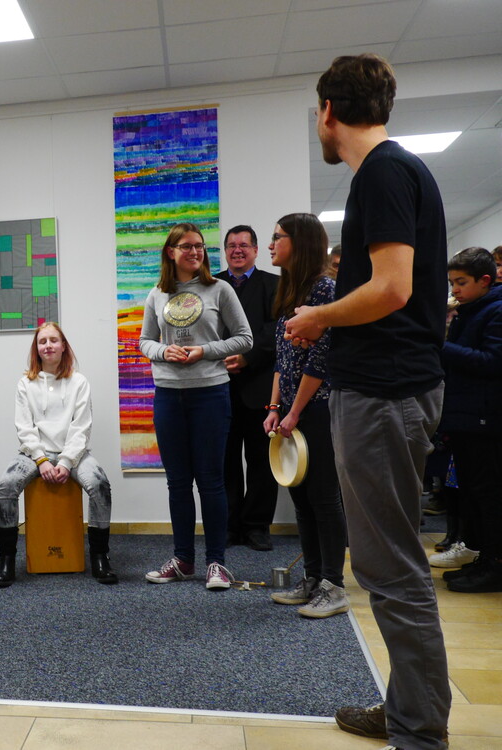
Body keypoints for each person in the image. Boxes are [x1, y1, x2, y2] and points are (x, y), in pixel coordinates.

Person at [286, 54, 450, 748]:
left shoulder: (382, 172)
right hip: (392, 390)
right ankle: (411, 708)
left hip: (384, 394)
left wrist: (317, 318)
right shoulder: (396, 171)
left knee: (391, 568)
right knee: (390, 563)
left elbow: (392, 288)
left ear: (329, 111)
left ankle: (419, 731)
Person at [139, 222, 252, 591]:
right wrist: (163, 351)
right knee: (177, 483)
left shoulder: (219, 289)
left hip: (210, 393)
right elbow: (145, 341)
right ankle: (183, 560)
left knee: (211, 481)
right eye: (186, 246)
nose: (195, 252)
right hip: (168, 395)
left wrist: (205, 350)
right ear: (170, 252)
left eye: (199, 246)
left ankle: (216, 563)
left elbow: (245, 338)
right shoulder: (157, 293)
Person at [263, 214, 348, 618]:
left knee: (324, 497)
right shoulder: (291, 289)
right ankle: (312, 578)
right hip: (292, 411)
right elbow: (283, 359)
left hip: (318, 408)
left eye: (277, 237)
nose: (271, 244)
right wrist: (275, 407)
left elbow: (320, 359)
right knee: (301, 496)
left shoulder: (325, 289)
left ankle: (334, 585)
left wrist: (295, 411)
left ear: (300, 242)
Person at [0, 322, 117, 588]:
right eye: (42, 342)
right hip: (33, 454)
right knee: (6, 486)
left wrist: (66, 461)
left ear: (63, 346)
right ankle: (6, 559)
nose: (48, 346)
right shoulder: (26, 383)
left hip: (73, 453)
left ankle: (100, 556)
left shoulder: (79, 382)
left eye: (53, 340)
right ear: (36, 349)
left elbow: (81, 427)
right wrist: (40, 459)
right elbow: (24, 428)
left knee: (100, 485)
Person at [436, 247, 502, 593]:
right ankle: (483, 558)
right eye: (452, 283)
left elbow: (491, 361)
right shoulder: (470, 311)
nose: (455, 290)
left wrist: (439, 345)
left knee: (488, 494)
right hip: (465, 417)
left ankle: (495, 565)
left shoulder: (496, 311)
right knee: (472, 493)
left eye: (461, 282)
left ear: (485, 280)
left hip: (485, 419)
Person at [214, 224, 279, 551]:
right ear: (225, 251)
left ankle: (256, 527)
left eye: (244, 245)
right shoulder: (210, 285)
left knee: (261, 462)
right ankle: (228, 526)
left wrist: (247, 358)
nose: (237, 250)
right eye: (231, 246)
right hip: (217, 387)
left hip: (260, 388)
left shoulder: (274, 285)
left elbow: (276, 330)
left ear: (255, 250)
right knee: (224, 462)